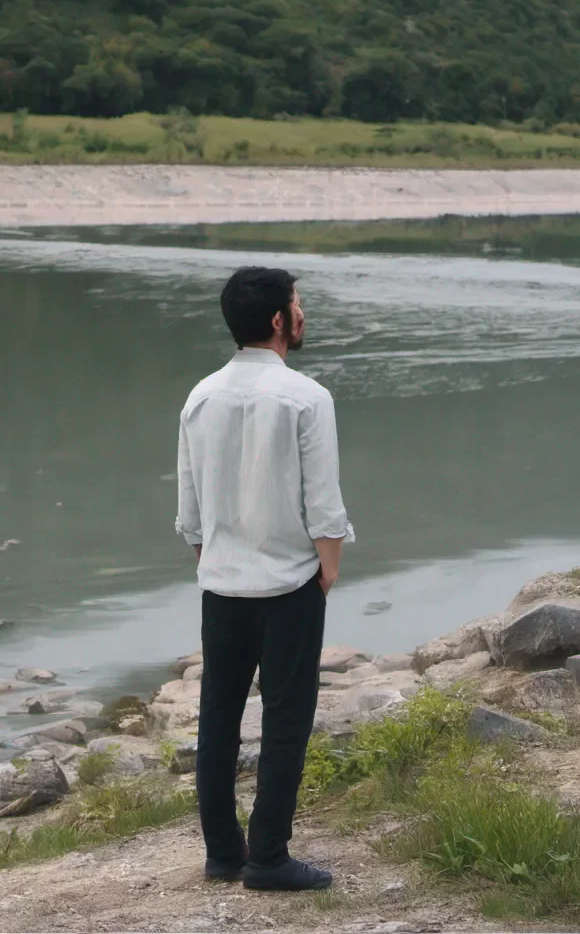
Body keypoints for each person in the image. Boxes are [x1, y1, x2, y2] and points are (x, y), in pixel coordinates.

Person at [175, 266, 354, 892]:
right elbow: (324, 506)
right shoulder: (306, 397)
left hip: (221, 585)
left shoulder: (200, 396)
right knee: (284, 722)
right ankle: (269, 858)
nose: (303, 314)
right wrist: (327, 572)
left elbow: (191, 513)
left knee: (217, 720)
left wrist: (216, 561)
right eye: (298, 305)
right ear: (280, 320)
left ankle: (224, 854)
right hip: (289, 586)